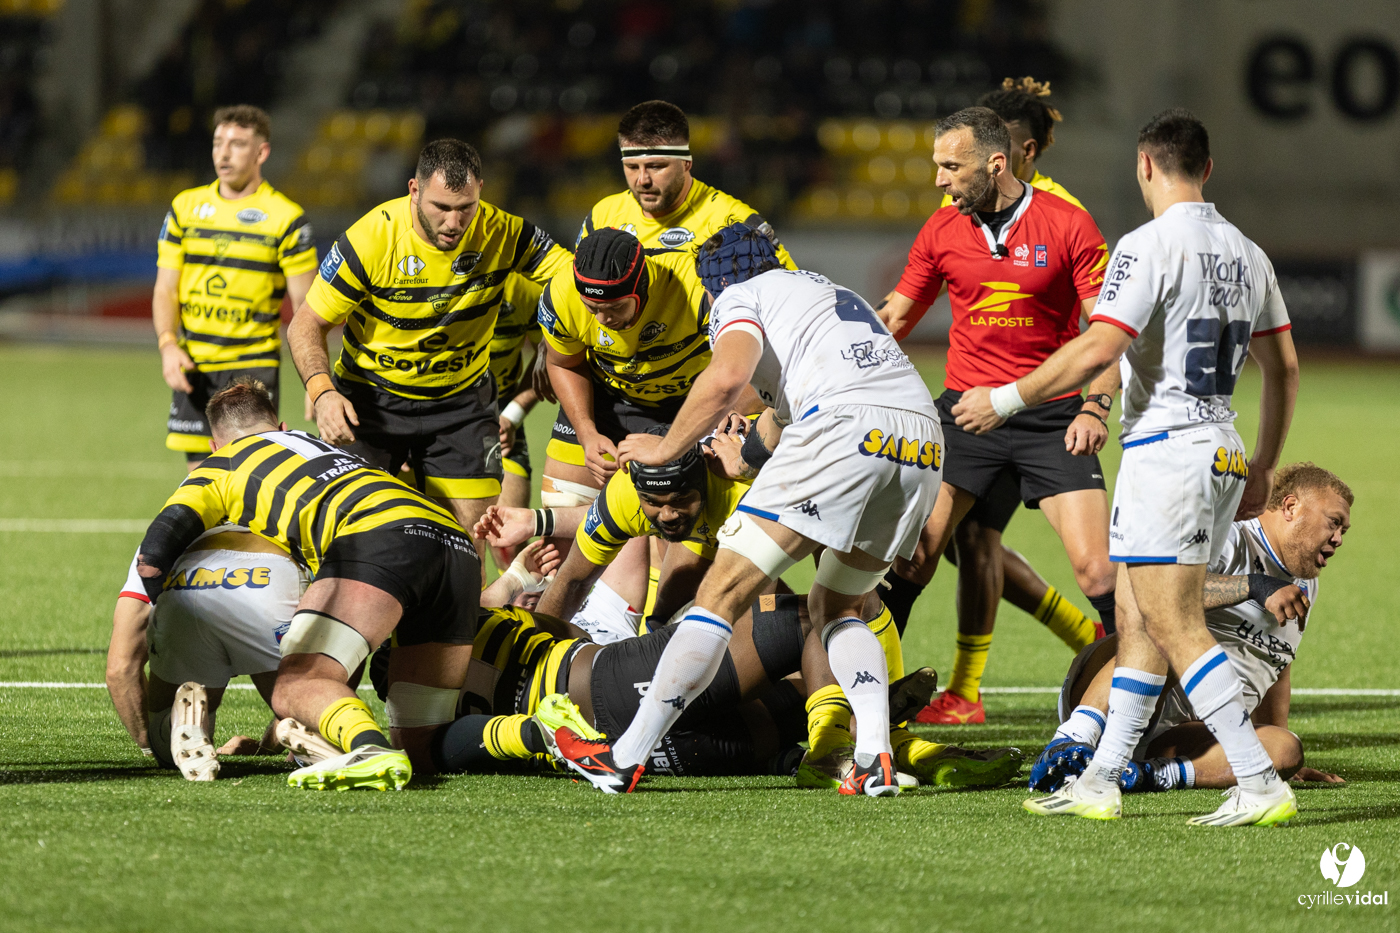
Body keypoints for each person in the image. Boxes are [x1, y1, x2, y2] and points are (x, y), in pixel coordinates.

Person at [955, 108, 1302, 825]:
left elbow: (1096, 349)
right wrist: (1263, 464)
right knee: (1136, 613)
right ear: (1206, 169)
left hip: (1167, 452)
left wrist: (1006, 398)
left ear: (1144, 166)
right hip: (1219, 448)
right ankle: (1103, 776)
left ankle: (1258, 780)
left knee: (1174, 620)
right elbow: (1284, 368)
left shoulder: (1146, 247)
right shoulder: (1250, 252)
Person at [553, 223, 943, 797]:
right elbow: (783, 411)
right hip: (922, 441)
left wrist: (666, 448)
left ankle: (624, 757)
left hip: (842, 427)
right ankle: (874, 756)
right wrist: (749, 457)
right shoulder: (835, 296)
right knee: (839, 604)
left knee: (720, 595)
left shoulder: (740, 295)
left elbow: (728, 376)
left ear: (715, 287)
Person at [877, 106, 1118, 726]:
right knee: (914, 555)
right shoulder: (939, 231)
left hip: (1053, 417)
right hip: (964, 416)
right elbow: (895, 320)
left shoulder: (1068, 224)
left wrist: (1095, 403)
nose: (939, 180)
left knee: (1098, 571)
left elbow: (1111, 335)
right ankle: (875, 703)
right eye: (937, 166)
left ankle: (1142, 702)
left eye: (950, 167)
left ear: (996, 164)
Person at [132, 379, 483, 792]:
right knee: (422, 743)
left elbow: (153, 557)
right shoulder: (325, 446)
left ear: (214, 444)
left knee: (296, 684)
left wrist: (166, 618)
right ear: (281, 427)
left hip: (378, 537)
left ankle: (368, 749)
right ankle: (536, 735)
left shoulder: (221, 464)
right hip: (454, 543)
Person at [288, 139, 572, 561]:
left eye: (467, 207)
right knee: (345, 537)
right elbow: (306, 323)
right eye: (442, 207)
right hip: (372, 403)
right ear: (414, 190)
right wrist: (322, 391)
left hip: (461, 406)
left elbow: (573, 275)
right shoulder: (373, 237)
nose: (455, 222)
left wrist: (556, 339)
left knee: (467, 546)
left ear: (480, 190)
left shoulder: (503, 231)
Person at [540, 99, 797, 512]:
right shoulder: (605, 213)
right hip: (611, 391)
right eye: (631, 166)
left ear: (687, 163)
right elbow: (580, 297)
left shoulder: (734, 226)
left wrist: (716, 417)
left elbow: (780, 335)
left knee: (680, 536)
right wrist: (553, 345)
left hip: (695, 398)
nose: (642, 180)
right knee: (561, 520)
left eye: (656, 165)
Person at [1030, 463, 1351, 794]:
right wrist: (1252, 585)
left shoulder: (1306, 585)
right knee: (1168, 623)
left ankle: (1145, 774)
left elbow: (1276, 663)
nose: (1339, 538)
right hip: (1116, 688)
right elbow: (1156, 593)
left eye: (1344, 530)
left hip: (1183, 733)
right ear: (1290, 506)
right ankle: (1070, 741)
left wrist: (1277, 754)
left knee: (1286, 749)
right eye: (1334, 522)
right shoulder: (1231, 534)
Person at [154, 105, 316, 469]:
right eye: (218, 142)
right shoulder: (185, 207)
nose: (224, 153)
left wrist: (314, 381)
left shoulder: (286, 218)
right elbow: (166, 288)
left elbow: (306, 307)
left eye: (238, 144)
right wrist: (167, 344)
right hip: (195, 366)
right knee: (202, 483)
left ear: (262, 152)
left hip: (251, 367)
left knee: (250, 479)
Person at [107, 526, 305, 780]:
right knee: (308, 706)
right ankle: (307, 739)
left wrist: (158, 750)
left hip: (187, 581)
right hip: (270, 575)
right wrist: (269, 746)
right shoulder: (293, 510)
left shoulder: (164, 534)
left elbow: (120, 668)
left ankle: (176, 725)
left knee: (167, 732)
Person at [489, 272, 547, 567]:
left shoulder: (525, 288)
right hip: (429, 408)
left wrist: (512, 415)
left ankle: (514, 611)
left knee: (509, 544)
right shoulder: (429, 281)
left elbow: (550, 355)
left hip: (498, 412)